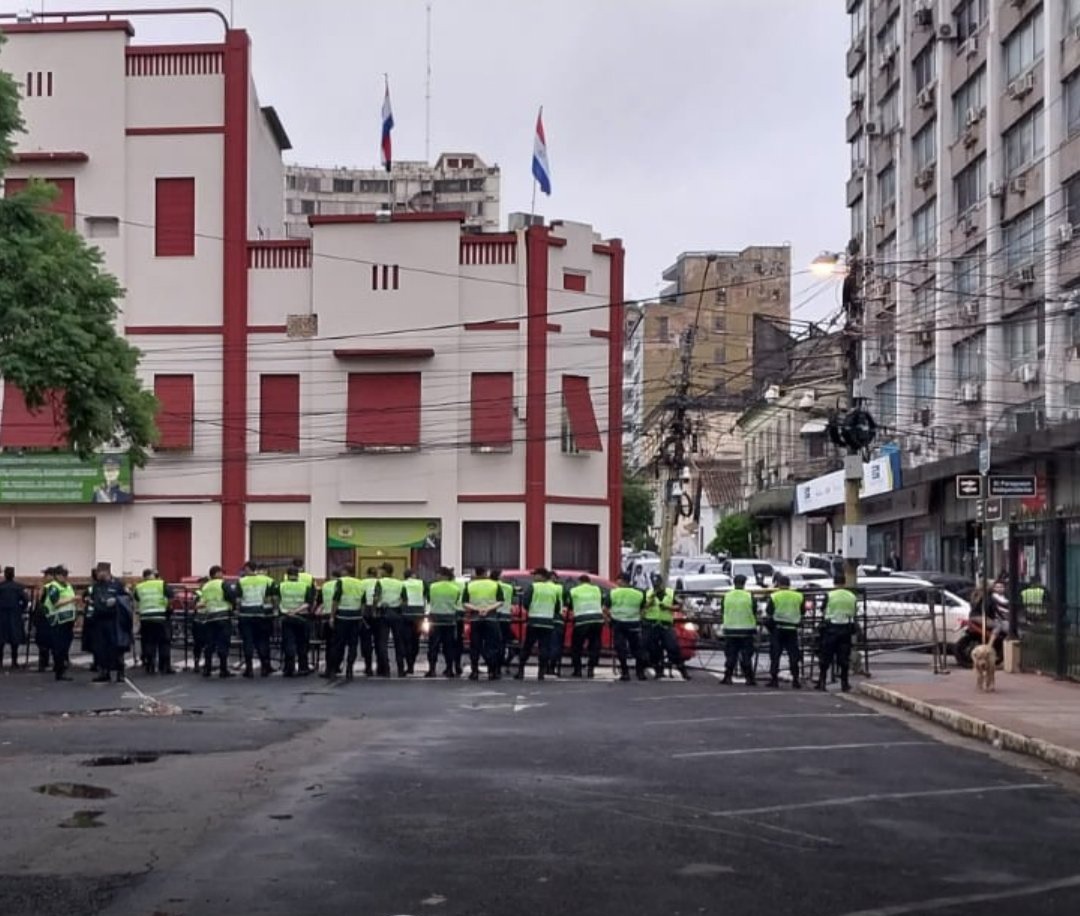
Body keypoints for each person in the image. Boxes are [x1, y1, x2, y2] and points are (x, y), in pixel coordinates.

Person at [89, 562, 132, 684]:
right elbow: (93, 599)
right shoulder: (96, 586)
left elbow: (128, 598)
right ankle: (104, 672)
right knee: (101, 647)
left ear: (106, 572)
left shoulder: (118, 584)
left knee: (117, 647)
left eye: (99, 572)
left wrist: (116, 600)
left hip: (114, 620)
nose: (97, 575)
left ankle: (120, 673)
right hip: (99, 620)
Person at [515, 568, 561, 681]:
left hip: (534, 621)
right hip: (548, 622)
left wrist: (532, 610)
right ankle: (541, 673)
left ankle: (521, 671)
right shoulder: (554, 589)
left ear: (542, 576)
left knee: (527, 646)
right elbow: (557, 607)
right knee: (544, 647)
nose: (533, 577)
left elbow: (525, 603)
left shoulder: (533, 587)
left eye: (535, 575)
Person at [645, 575, 691, 681]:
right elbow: (643, 608)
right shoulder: (648, 593)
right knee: (653, 649)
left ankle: (682, 669)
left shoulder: (670, 593)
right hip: (652, 624)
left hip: (666, 624)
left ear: (662, 583)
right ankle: (658, 670)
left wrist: (667, 607)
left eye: (658, 584)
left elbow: (679, 606)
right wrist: (650, 602)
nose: (657, 587)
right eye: (655, 585)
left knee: (673, 647)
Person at [236, 561, 276, 678]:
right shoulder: (267, 580)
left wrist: (238, 611)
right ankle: (264, 668)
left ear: (248, 569)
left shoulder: (241, 581)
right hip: (261, 614)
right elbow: (272, 598)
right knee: (262, 640)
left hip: (245, 614)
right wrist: (274, 610)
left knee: (248, 641)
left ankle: (249, 669)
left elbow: (238, 600)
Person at [604, 574, 648, 681]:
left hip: (618, 624)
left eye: (618, 580)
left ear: (622, 581)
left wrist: (609, 619)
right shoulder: (639, 593)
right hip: (634, 624)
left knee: (620, 649)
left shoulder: (613, 593)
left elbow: (605, 609)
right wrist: (638, 618)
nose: (617, 583)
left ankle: (625, 672)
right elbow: (643, 610)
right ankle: (640, 672)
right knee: (637, 649)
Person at [817, 577, 858, 693]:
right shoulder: (852, 596)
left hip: (831, 629)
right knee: (844, 658)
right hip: (846, 629)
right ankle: (844, 684)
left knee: (826, 657)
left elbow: (823, 609)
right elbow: (854, 611)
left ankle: (822, 681)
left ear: (834, 583)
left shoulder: (829, 595)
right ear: (844, 583)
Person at [463, 567, 502, 680]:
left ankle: (474, 671)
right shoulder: (494, 585)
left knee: (475, 645)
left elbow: (465, 603)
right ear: (486, 573)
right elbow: (500, 601)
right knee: (491, 645)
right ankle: (492, 671)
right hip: (491, 619)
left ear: (476, 573)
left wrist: (477, 609)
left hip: (475, 619)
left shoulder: (470, 585)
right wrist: (488, 609)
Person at [765, 574, 803, 689]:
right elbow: (803, 611)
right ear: (789, 584)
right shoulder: (798, 596)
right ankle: (796, 679)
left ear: (778, 584)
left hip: (778, 628)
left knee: (775, 655)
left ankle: (774, 679)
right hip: (792, 629)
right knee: (793, 655)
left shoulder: (774, 596)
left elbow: (769, 611)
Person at [194, 566, 233, 677]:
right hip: (223, 616)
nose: (222, 575)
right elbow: (231, 596)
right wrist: (233, 606)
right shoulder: (223, 584)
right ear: (217, 573)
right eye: (221, 573)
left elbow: (202, 602)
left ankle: (207, 668)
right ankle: (223, 669)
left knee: (209, 644)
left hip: (209, 617)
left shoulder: (205, 586)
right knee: (223, 643)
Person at [134, 568, 174, 675]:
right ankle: (164, 667)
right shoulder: (161, 584)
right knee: (164, 642)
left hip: (146, 618)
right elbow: (171, 596)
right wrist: (167, 607)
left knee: (148, 642)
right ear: (153, 575)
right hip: (160, 616)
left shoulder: (139, 586)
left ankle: (150, 666)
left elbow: (137, 599)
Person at [720, 574, 758, 686]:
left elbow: (723, 610)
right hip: (746, 630)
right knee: (746, 655)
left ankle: (728, 676)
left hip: (730, 629)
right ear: (744, 583)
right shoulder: (749, 596)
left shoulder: (727, 596)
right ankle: (749, 678)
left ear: (734, 583)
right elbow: (754, 610)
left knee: (731, 654)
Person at [330, 565, 365, 680]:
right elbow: (363, 602)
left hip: (342, 616)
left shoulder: (341, 582)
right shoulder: (360, 583)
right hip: (355, 616)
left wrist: (332, 616)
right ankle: (349, 669)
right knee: (353, 645)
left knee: (339, 644)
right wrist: (361, 616)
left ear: (345, 571)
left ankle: (334, 668)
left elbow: (336, 599)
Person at [43, 565, 78, 681]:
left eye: (66, 575)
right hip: (58, 620)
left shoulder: (68, 586)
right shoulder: (54, 587)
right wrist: (72, 599)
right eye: (63, 575)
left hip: (68, 620)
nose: (65, 577)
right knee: (59, 646)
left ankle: (62, 668)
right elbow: (55, 602)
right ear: (57, 576)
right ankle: (59, 671)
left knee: (65, 646)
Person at [278, 566, 314, 677]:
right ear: (298, 575)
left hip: (286, 617)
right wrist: (296, 611)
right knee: (302, 643)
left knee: (288, 643)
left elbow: (276, 600)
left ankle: (289, 668)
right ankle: (303, 668)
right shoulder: (305, 586)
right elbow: (308, 603)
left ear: (287, 575)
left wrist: (285, 611)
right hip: (301, 617)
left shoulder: (281, 586)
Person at [374, 562, 408, 677]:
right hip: (397, 613)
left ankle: (385, 669)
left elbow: (376, 597)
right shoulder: (400, 583)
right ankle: (401, 669)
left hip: (383, 614)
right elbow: (405, 600)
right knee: (399, 642)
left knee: (382, 642)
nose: (379, 572)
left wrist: (375, 610)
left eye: (380, 570)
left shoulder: (380, 582)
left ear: (384, 571)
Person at [425, 567, 460, 678]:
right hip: (450, 619)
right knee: (449, 646)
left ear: (443, 575)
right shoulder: (455, 588)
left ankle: (432, 669)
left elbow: (429, 600)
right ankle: (449, 669)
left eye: (438, 574)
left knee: (433, 646)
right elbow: (457, 601)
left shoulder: (433, 587)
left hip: (435, 619)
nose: (437, 576)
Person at [568, 574, 604, 678]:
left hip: (581, 620)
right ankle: (591, 669)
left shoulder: (574, 591)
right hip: (597, 619)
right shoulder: (597, 589)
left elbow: (570, 605)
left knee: (577, 646)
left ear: (579, 581)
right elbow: (600, 602)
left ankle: (577, 670)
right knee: (594, 645)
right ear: (589, 581)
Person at [0, 566, 28, 670]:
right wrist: (21, 609)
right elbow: (25, 599)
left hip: (2, 615)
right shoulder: (18, 587)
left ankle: (0, 662)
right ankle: (14, 662)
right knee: (14, 640)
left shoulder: (1, 587)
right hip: (14, 615)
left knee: (1, 640)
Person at [401, 568, 427, 674]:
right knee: (415, 640)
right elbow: (426, 596)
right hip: (418, 614)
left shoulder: (402, 584)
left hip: (406, 614)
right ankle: (413, 660)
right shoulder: (422, 583)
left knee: (407, 640)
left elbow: (401, 598)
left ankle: (409, 664)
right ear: (413, 575)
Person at [317, 568, 341, 677]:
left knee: (329, 644)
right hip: (339, 615)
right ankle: (336, 667)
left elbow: (319, 601)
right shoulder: (341, 585)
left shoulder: (325, 586)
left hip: (326, 615)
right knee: (338, 644)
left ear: (331, 575)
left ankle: (329, 668)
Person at [492, 569, 517, 670]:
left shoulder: (491, 587)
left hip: (493, 616)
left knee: (493, 641)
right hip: (506, 616)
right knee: (504, 641)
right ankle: (502, 659)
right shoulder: (509, 587)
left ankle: (494, 663)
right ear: (499, 577)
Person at [358, 566, 380, 677]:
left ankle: (368, 666)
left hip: (365, 611)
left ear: (367, 574)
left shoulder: (361, 582)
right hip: (377, 611)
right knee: (379, 640)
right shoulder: (379, 582)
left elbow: (360, 597)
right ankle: (381, 666)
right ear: (376, 574)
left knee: (365, 640)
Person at [33, 567, 55, 673]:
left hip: (47, 617)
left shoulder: (50, 587)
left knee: (45, 641)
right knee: (43, 642)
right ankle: (44, 662)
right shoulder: (44, 586)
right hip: (44, 617)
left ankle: (45, 663)